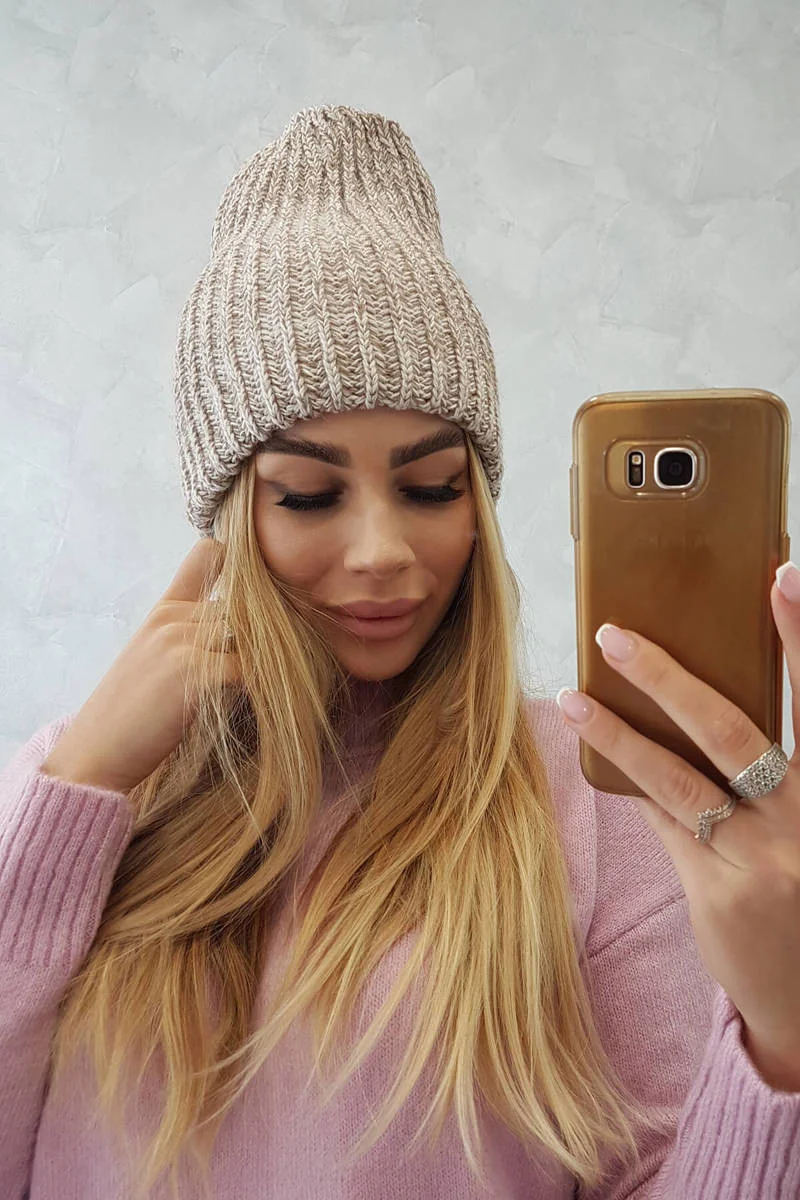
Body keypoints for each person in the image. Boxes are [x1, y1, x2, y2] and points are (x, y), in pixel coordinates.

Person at [1, 104, 798, 1200]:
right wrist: (78, 789)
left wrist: (781, 1039)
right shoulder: (79, 791)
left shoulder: (596, 811)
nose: (382, 551)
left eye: (430, 487)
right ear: (232, 513)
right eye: (307, 494)